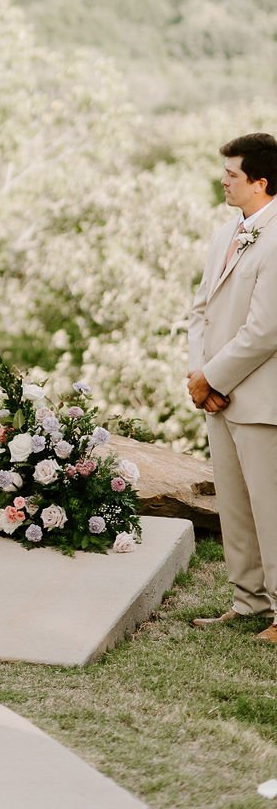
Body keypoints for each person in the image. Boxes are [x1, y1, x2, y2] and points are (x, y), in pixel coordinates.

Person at [187, 131, 277, 642]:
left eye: (232, 174)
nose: (223, 180)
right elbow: (199, 310)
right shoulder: (226, 233)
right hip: (217, 397)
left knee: (272, 508)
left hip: (262, 398)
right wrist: (200, 377)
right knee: (237, 509)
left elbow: (265, 330)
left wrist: (212, 377)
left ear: (261, 182)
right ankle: (247, 601)